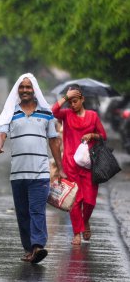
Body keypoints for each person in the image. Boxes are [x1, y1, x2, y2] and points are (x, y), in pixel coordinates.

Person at [0, 73, 66, 264]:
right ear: (18, 91)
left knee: (37, 210)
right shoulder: (11, 113)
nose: (25, 90)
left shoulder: (46, 113)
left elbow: (54, 141)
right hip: (17, 174)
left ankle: (38, 246)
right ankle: (29, 248)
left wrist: (61, 168)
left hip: (40, 173)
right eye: (21, 87)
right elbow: (2, 133)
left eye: (28, 87)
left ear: (34, 90)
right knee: (23, 213)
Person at [52, 84, 107, 245]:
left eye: (75, 101)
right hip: (70, 164)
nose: (72, 104)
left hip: (89, 164)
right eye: (70, 101)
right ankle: (76, 233)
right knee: (75, 200)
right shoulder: (66, 115)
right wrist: (65, 97)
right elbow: (53, 111)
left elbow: (103, 136)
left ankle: (85, 221)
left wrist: (92, 135)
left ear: (82, 99)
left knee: (89, 201)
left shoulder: (93, 116)